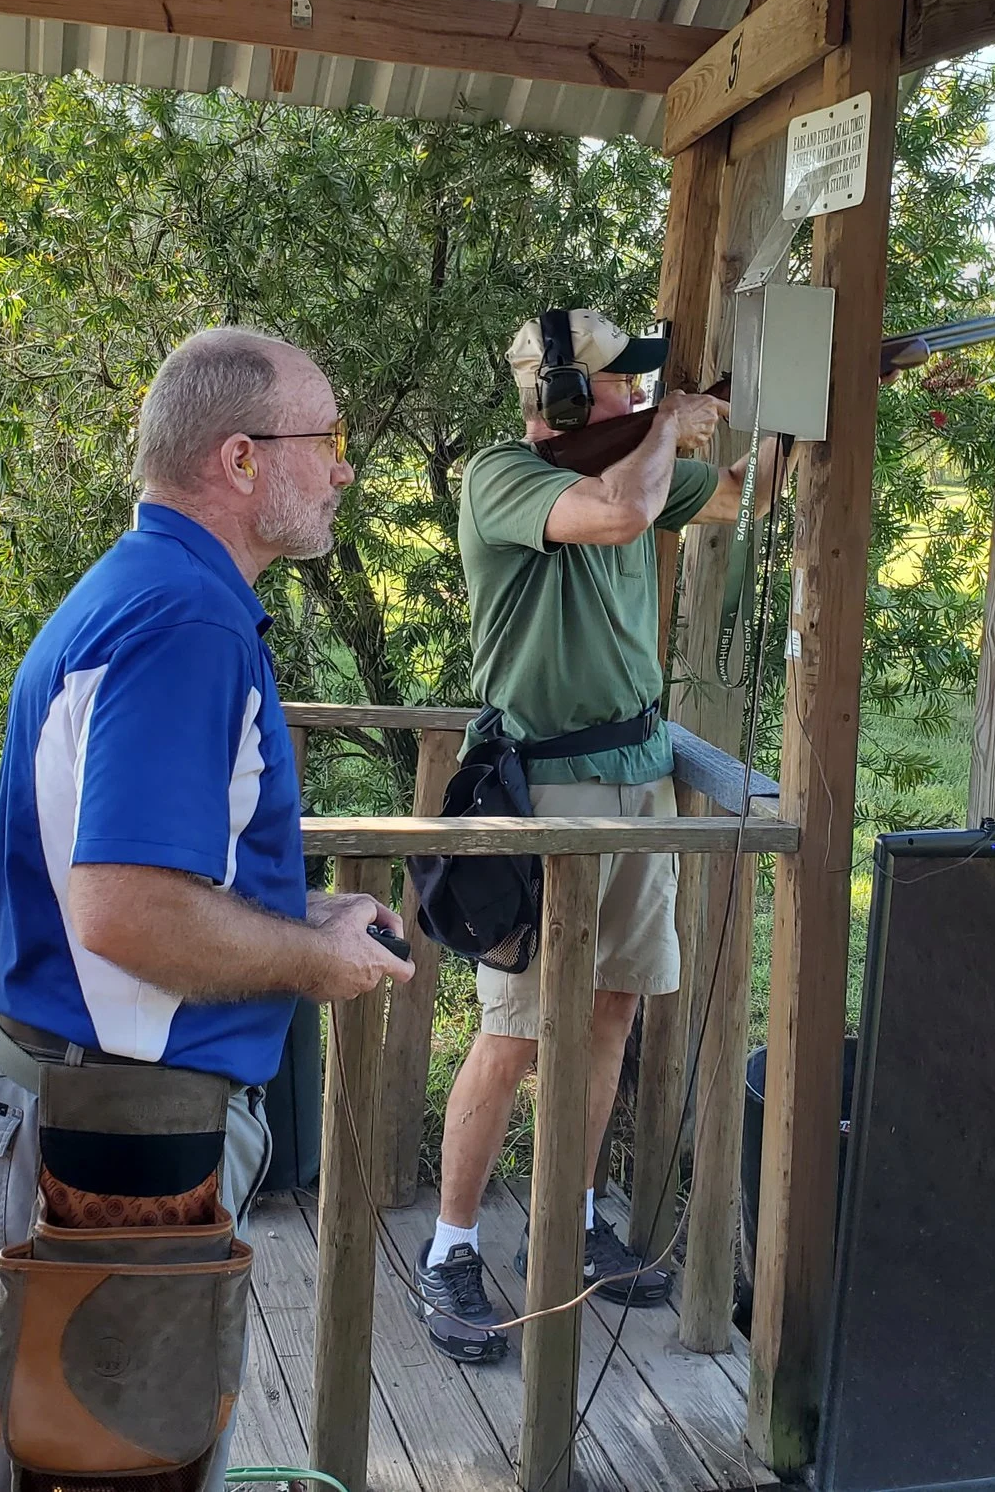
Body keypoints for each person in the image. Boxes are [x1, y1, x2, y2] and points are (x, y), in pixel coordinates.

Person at [0, 327, 413, 1491]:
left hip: (80, 1101)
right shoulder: (184, 624)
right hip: (116, 1132)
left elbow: (137, 876)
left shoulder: (151, 590)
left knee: (62, 1455)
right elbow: (125, 912)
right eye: (331, 440)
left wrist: (301, 918)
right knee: (106, 1468)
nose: (346, 469)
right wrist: (314, 964)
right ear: (242, 460)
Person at [413, 307, 770, 1364]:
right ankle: (450, 1248)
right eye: (621, 387)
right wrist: (673, 425)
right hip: (549, 792)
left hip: (640, 775)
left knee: (613, 1009)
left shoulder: (642, 459)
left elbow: (744, 500)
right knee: (516, 1031)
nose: (636, 400)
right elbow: (618, 516)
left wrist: (782, 421)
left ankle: (567, 1225)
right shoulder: (503, 475)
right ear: (561, 399)